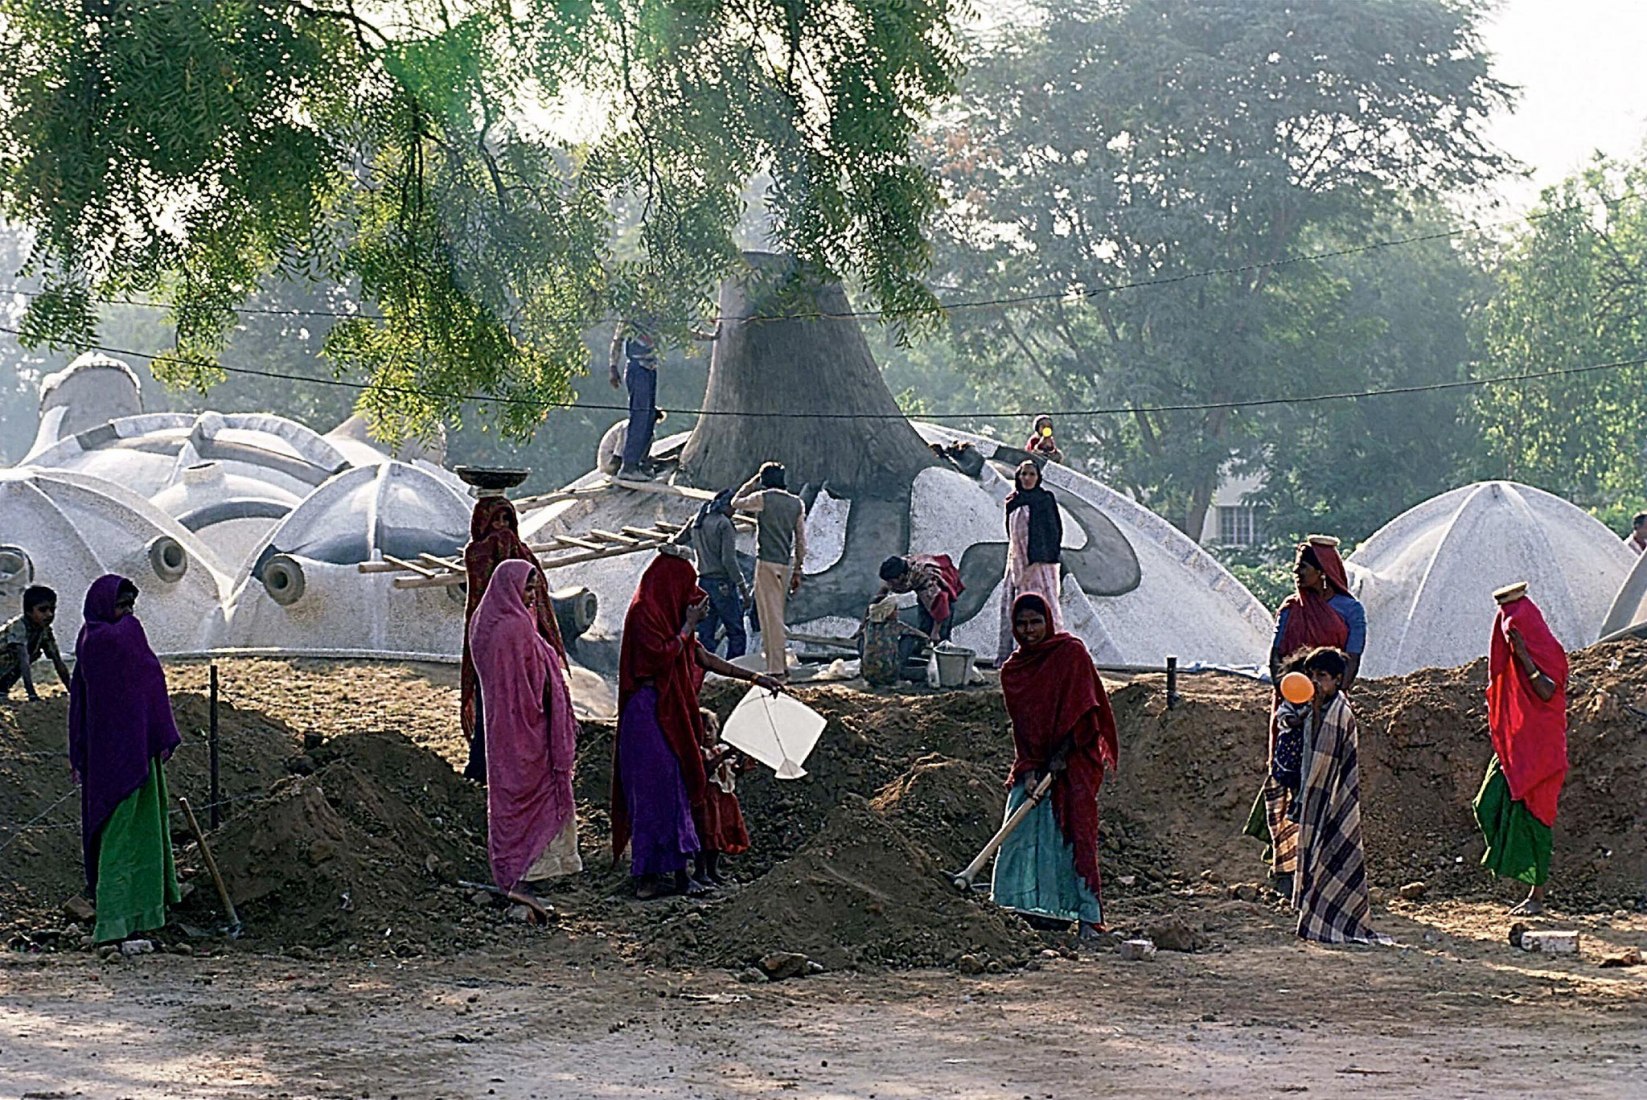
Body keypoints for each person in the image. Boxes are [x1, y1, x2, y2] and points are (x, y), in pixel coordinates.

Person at [611, 550, 782, 899]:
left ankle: (680, 874)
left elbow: (702, 657)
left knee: (677, 791)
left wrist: (755, 677)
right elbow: (659, 658)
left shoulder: (671, 615)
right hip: (647, 715)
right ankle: (648, 876)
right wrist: (688, 626)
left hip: (670, 712)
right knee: (653, 795)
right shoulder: (645, 614)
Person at [992, 594, 1118, 938]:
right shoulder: (1014, 671)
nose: (1029, 630)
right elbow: (1023, 725)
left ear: (1048, 621)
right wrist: (1031, 769)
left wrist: (1062, 755)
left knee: (1074, 834)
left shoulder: (1071, 655)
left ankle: (1087, 918)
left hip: (1074, 759)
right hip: (1035, 761)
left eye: (1035, 622)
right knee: (1021, 833)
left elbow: (1086, 708)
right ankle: (1018, 909)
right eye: (1022, 624)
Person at [68, 576, 181, 945]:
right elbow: (147, 677)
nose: (128, 615)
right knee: (120, 836)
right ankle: (115, 921)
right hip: (121, 756)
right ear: (104, 607)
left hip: (126, 752)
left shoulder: (89, 639)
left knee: (141, 833)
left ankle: (141, 916)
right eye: (121, 607)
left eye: (131, 608)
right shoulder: (111, 639)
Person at [1250, 535, 1365, 897]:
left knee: (1325, 785)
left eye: (1304, 567)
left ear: (1324, 572)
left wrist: (1328, 697)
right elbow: (1275, 658)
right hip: (1291, 708)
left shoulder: (1350, 610)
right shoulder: (1290, 609)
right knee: (1286, 779)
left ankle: (1325, 870)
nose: (1297, 573)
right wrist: (1293, 696)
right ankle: (1285, 868)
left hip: (1330, 711)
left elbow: (1352, 660)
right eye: (1297, 566)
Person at [470, 560, 582, 896]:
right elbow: (528, 683)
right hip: (527, 730)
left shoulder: (488, 620)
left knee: (511, 799)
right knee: (530, 799)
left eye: (534, 589)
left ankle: (524, 873)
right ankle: (524, 874)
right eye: (527, 588)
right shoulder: (513, 627)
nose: (532, 596)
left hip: (505, 729)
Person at [1473, 582, 1568, 916]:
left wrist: (1525, 656)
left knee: (1537, 817)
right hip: (1516, 745)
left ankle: (1537, 894)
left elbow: (1545, 691)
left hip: (1541, 749)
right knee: (1487, 803)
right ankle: (1512, 864)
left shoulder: (1548, 652)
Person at [461, 496, 568, 783]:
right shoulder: (478, 554)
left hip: (523, 640)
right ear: (482, 523)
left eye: (506, 520)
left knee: (525, 707)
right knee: (493, 708)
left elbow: (534, 594)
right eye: (495, 520)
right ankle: (481, 766)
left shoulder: (524, 553)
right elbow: (491, 591)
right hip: (492, 641)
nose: (501, 527)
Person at [1291, 646, 1377, 943]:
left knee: (1336, 853)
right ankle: (1311, 916)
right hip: (1314, 797)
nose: (1315, 682)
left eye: (1322, 676)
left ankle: (1338, 920)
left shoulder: (1340, 713)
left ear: (1338, 679)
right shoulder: (1313, 707)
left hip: (1335, 799)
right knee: (1313, 853)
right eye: (1310, 675)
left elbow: (1334, 760)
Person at [733, 462, 807, 678]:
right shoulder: (796, 503)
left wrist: (751, 483)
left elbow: (735, 502)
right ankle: (780, 663)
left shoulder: (762, 498)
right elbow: (801, 541)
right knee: (777, 613)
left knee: (770, 616)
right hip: (785, 563)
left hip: (766, 562)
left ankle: (775, 668)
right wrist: (798, 569)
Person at [997, 461, 1064, 664]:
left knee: (1043, 606)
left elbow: (1054, 531)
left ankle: (1050, 653)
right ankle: (1019, 655)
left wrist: (1039, 558)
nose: (1027, 478)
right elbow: (1011, 534)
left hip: (1039, 565)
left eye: (1031, 474)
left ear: (1038, 477)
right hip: (1016, 563)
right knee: (1015, 608)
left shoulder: (1044, 500)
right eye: (1023, 474)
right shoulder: (1012, 501)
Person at [876, 553, 965, 670]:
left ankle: (944, 668)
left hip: (943, 594)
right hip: (925, 594)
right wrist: (875, 606)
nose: (890, 585)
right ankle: (917, 658)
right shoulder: (899, 569)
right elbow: (883, 592)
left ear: (902, 576)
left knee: (941, 636)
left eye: (892, 582)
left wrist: (935, 632)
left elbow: (941, 607)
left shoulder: (927, 580)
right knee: (924, 627)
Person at [690, 489, 750, 659]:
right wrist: (742, 588)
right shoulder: (724, 524)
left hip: (702, 583)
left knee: (705, 633)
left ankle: (705, 671)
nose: (735, 512)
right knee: (736, 632)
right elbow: (729, 560)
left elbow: (678, 539)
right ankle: (733, 670)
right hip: (722, 584)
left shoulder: (697, 520)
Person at [696, 707, 752, 885]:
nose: (706, 734)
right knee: (706, 835)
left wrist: (742, 768)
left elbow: (730, 774)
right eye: (701, 729)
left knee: (719, 835)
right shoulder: (699, 753)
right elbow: (705, 771)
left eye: (710, 729)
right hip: (707, 800)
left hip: (723, 799)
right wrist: (722, 757)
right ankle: (700, 871)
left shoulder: (721, 750)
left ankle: (713, 870)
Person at [608, 319, 661, 480]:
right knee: (640, 416)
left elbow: (680, 332)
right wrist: (613, 367)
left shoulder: (659, 313)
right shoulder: (631, 316)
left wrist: (710, 336)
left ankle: (641, 462)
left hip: (650, 368)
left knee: (650, 416)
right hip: (637, 369)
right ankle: (629, 466)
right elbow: (617, 341)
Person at [0, 585, 71, 701]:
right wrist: (31, 694)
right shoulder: (19, 627)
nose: (49, 614)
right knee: (21, 655)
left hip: (8, 668)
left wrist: (72, 690)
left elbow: (58, 661)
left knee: (34, 653)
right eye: (42, 610)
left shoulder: (44, 630)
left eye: (52, 609)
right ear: (28, 611)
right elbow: (23, 661)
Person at [596, 410, 666, 477]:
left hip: (621, 460)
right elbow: (619, 452)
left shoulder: (648, 432)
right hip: (609, 460)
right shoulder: (628, 427)